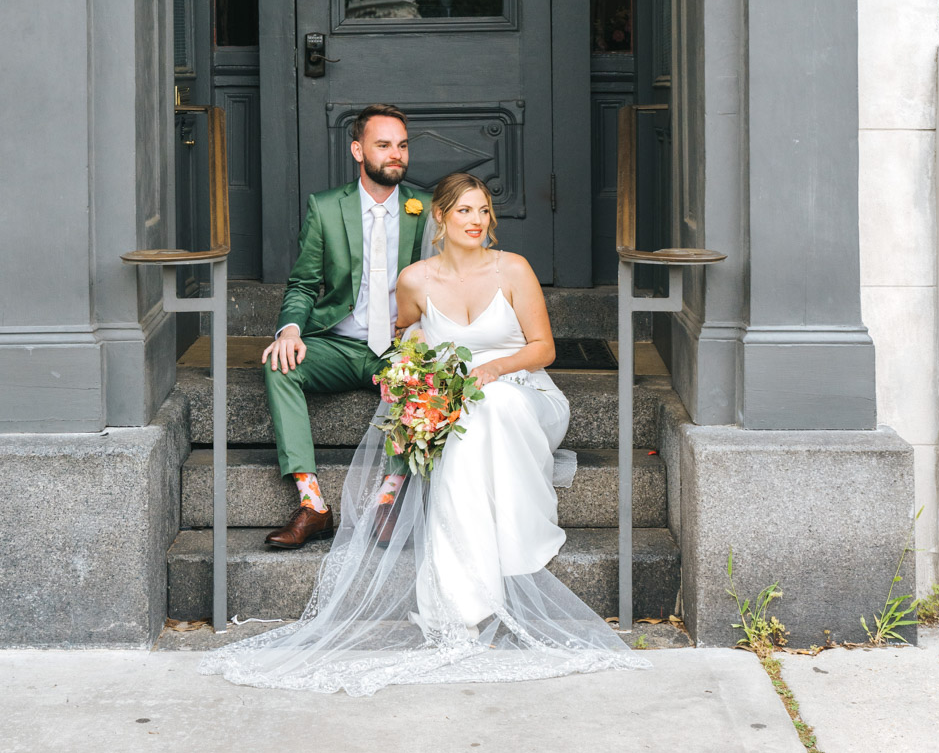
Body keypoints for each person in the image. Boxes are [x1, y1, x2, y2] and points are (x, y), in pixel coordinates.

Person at [203, 171, 643, 695]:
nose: (477, 221)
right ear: (440, 217)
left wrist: (493, 370)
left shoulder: (513, 269)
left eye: (483, 211)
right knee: (460, 418)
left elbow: (544, 348)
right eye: (465, 211)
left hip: (524, 392)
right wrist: (417, 375)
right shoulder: (415, 280)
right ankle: (462, 594)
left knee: (490, 405)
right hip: (459, 400)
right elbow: (407, 335)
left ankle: (516, 540)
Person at [260, 104, 433, 548]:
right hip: (340, 343)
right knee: (280, 365)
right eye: (383, 145)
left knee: (426, 378)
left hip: (399, 348)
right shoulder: (325, 207)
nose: (396, 155)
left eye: (402, 145)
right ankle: (313, 503)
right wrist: (291, 330)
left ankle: (388, 501)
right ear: (358, 150)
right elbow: (303, 284)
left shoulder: (427, 208)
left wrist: (420, 335)